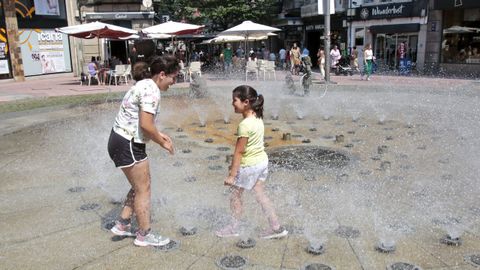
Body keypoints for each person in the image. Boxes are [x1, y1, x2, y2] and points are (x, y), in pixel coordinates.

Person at [108, 55, 179, 247]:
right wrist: (161, 142)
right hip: (128, 144)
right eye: (173, 77)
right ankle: (144, 234)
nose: (174, 82)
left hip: (119, 139)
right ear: (162, 75)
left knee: (140, 185)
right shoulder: (152, 91)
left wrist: (158, 133)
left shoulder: (144, 84)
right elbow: (146, 125)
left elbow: (141, 122)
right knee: (144, 189)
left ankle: (123, 223)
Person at [216, 85, 288, 239]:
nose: (232, 103)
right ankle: (276, 227)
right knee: (260, 194)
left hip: (249, 165)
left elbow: (239, 151)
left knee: (235, 195)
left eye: (234, 100)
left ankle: (234, 227)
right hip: (262, 162)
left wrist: (232, 174)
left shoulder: (244, 125)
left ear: (246, 102)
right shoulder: (257, 117)